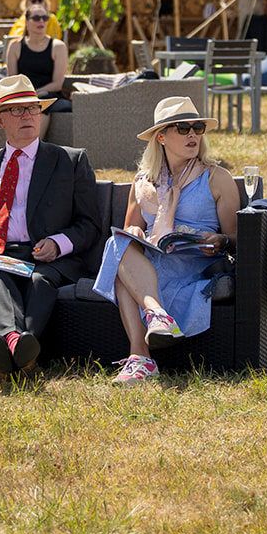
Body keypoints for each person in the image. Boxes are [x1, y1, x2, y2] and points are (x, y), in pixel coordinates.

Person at [0, 75, 102, 380]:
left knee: (40, 281)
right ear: (0, 120)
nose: (27, 115)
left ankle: (7, 348)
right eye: (17, 110)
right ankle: (20, 350)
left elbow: (90, 224)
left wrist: (57, 243)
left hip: (47, 257)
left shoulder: (69, 160)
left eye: (33, 108)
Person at [92, 97, 241, 385]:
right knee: (117, 244)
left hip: (196, 262)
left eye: (197, 128)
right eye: (183, 128)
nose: (192, 134)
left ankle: (141, 357)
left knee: (123, 275)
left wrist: (221, 240)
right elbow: (130, 231)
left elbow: (237, 237)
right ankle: (157, 315)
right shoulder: (143, 181)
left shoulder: (216, 177)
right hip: (153, 261)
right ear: (161, 137)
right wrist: (136, 232)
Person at [4, 3, 70, 116]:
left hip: (49, 95)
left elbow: (57, 84)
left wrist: (34, 94)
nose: (41, 21)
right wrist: (25, 96)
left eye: (45, 18)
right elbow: (12, 80)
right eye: (36, 18)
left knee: (40, 102)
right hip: (22, 96)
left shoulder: (58, 47)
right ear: (26, 22)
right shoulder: (15, 46)